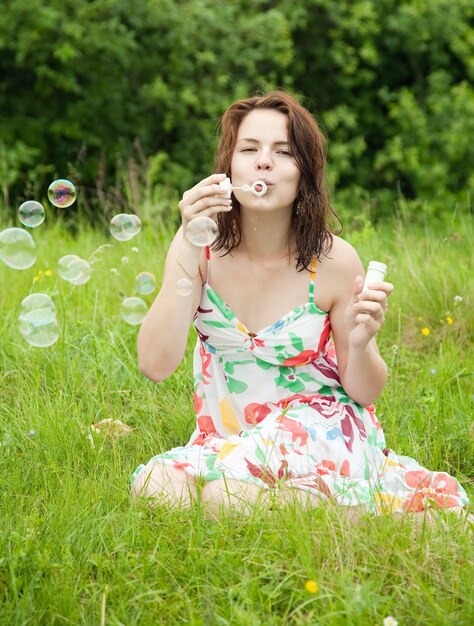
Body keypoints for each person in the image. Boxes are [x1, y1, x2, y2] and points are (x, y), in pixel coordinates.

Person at [131, 90, 469, 522]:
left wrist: (363, 343)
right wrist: (186, 244)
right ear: (229, 168)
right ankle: (347, 517)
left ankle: (325, 515)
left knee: (208, 495)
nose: (264, 161)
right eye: (249, 149)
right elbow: (154, 365)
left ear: (303, 173)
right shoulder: (199, 247)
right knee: (153, 486)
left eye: (283, 152)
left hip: (319, 427)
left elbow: (364, 390)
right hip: (233, 438)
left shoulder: (333, 261)